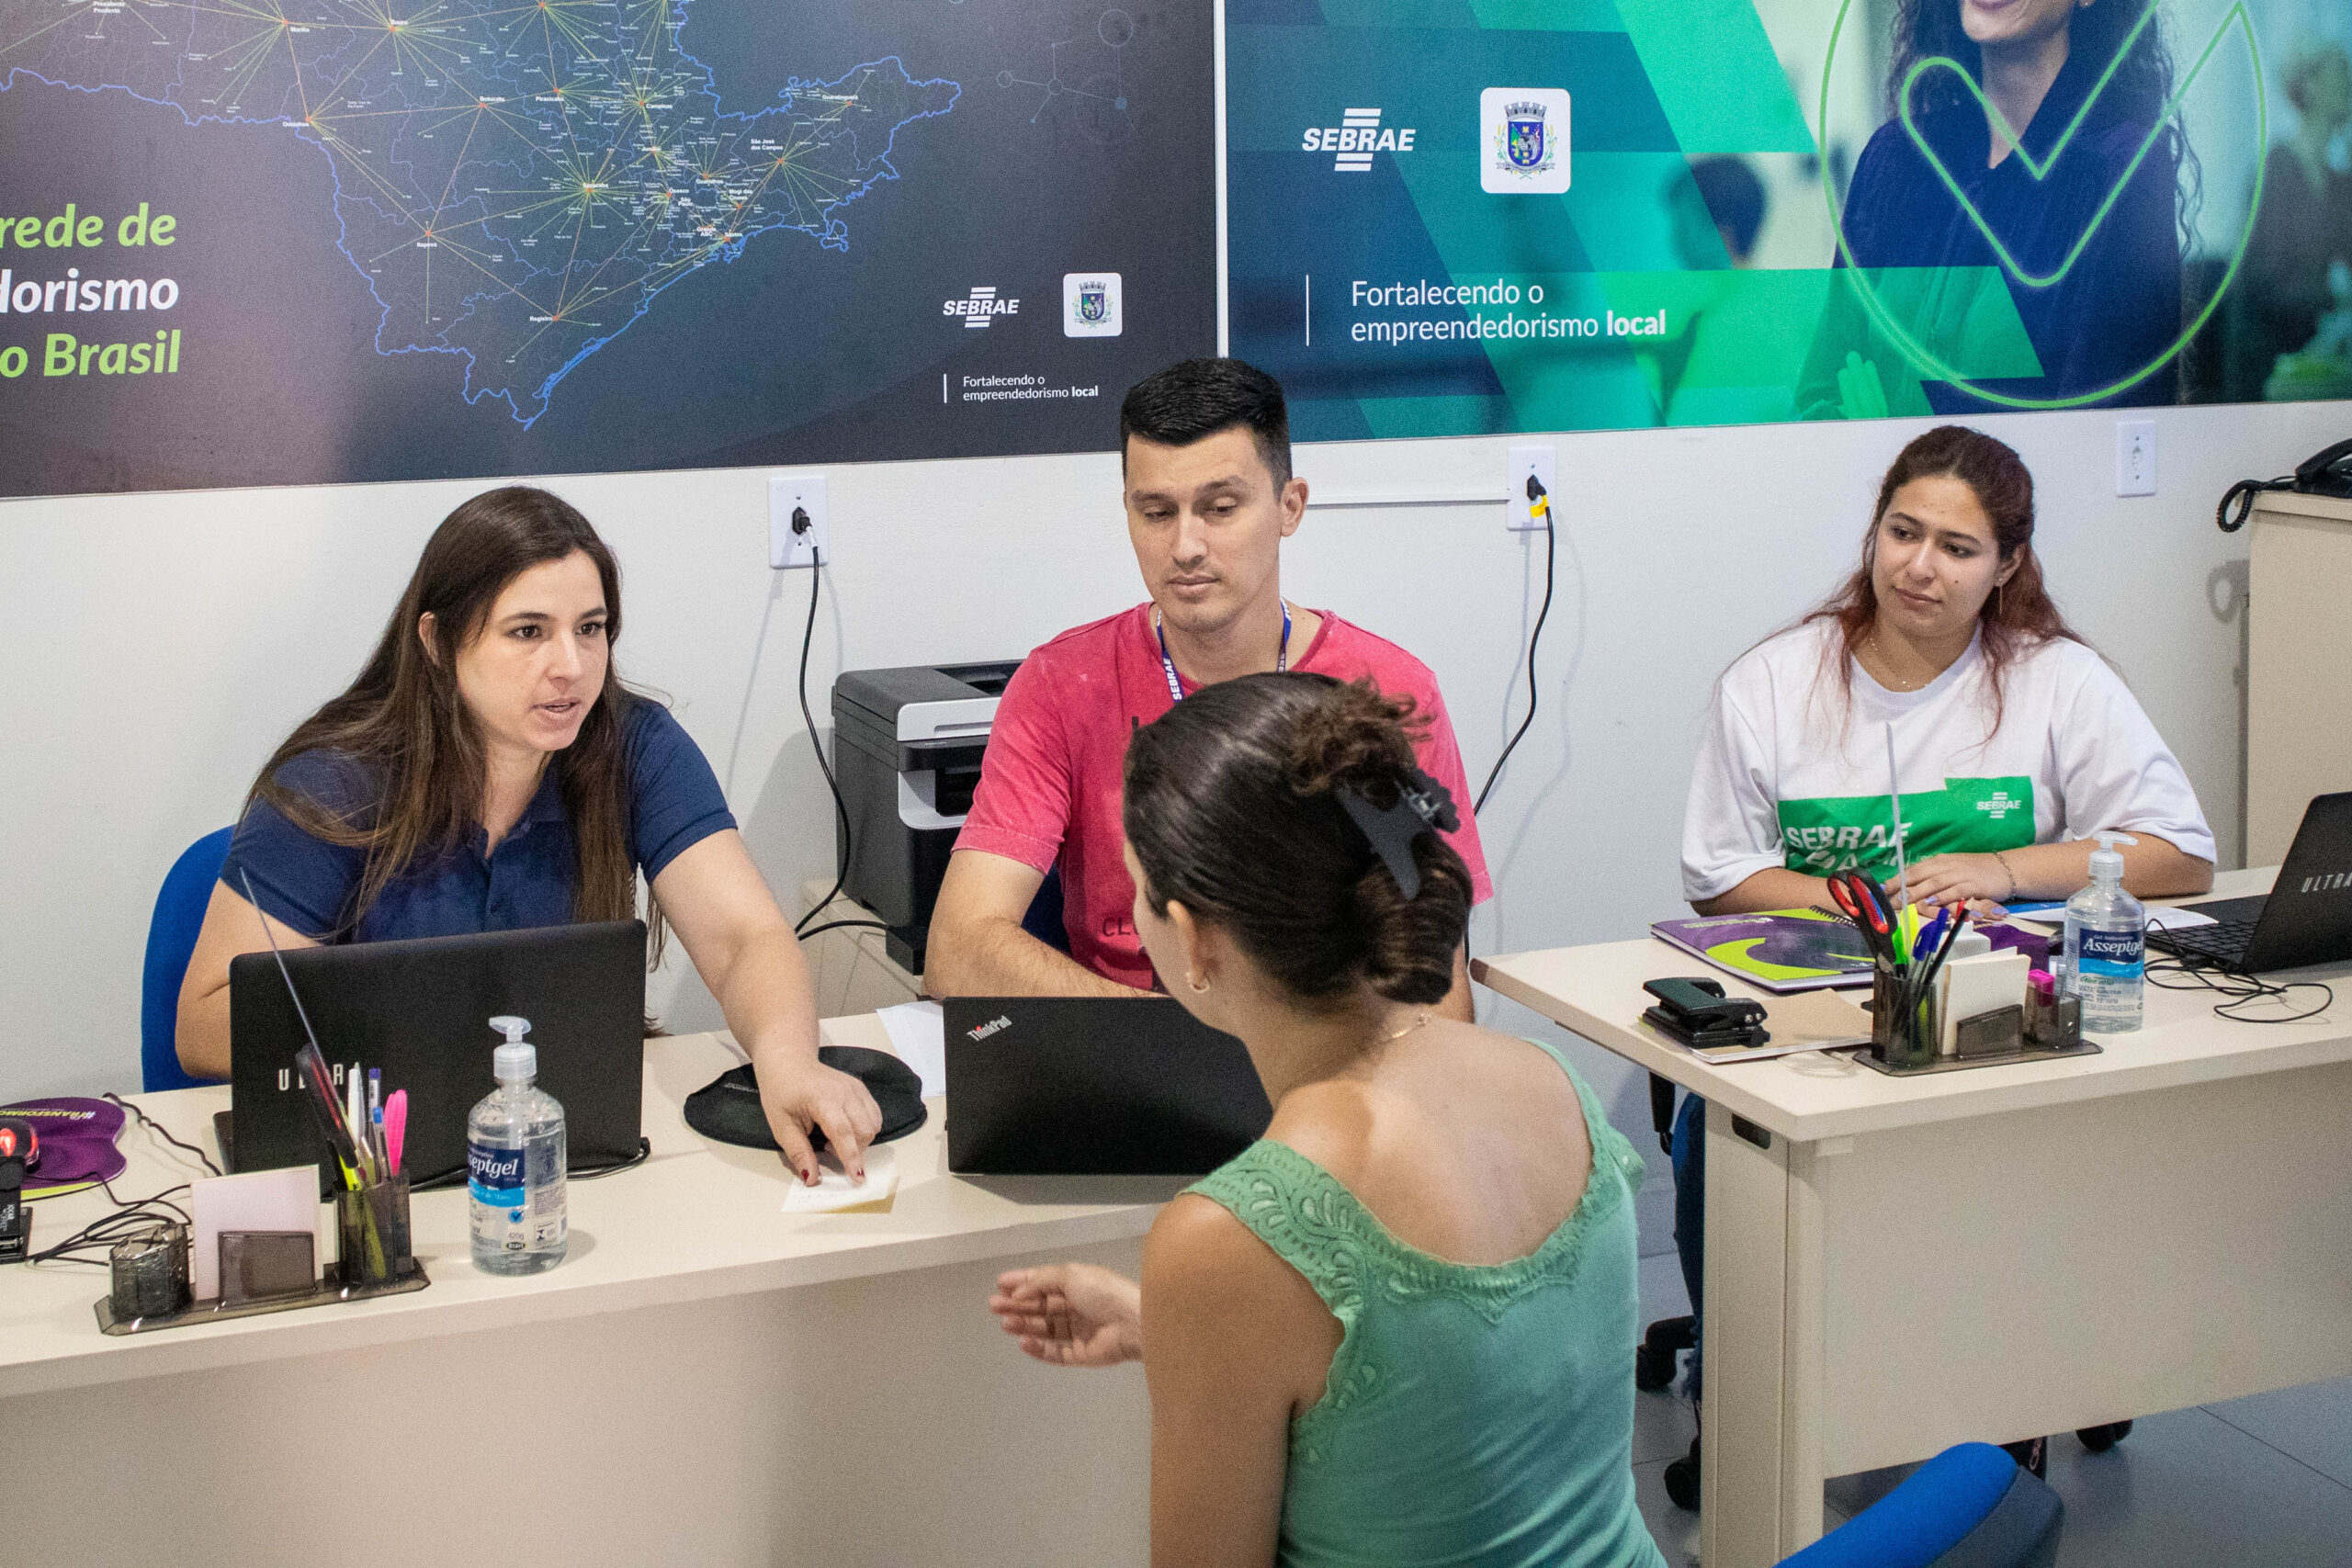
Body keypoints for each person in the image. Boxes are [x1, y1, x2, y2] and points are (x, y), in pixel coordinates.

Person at [988, 674, 1666, 1568]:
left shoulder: (1232, 1235)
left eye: (1139, 890)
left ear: (1193, 938)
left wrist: (1198, 1310)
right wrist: (1174, 1329)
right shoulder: (1550, 1081)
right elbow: (1461, 1375)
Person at [1668, 423, 2213, 1497]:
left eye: (1957, 548)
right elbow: (1721, 879)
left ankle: (2011, 1387)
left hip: (2005, 1011)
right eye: (1902, 532)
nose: (1920, 566)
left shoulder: (2057, 680)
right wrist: (1872, 909)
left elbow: (2178, 855)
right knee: (1710, 1132)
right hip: (1822, 1011)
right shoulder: (1773, 683)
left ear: (2007, 564)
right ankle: (1735, 1386)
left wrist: (2005, 869)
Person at [176, 486, 879, 1185]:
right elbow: (204, 1022)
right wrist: (400, 1032)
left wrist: (788, 1060)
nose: (570, 664)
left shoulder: (636, 745)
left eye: (590, 628)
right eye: (528, 631)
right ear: (437, 641)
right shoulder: (338, 779)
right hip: (378, 1168)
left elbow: (745, 939)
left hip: (569, 1149)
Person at [926, 357, 1490, 1014]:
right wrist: (1189, 1050)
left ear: (1289, 506)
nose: (1186, 546)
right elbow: (957, 949)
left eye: (1220, 508)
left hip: (1334, 1047)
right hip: (1130, 1043)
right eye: (1156, 512)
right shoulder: (1061, 684)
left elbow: (1439, 990)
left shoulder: (1387, 692)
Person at [1802, 0, 2190, 417]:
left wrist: (1886, 434)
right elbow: (1817, 400)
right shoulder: (1896, 158)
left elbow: (2095, 433)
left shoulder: (2120, 167)